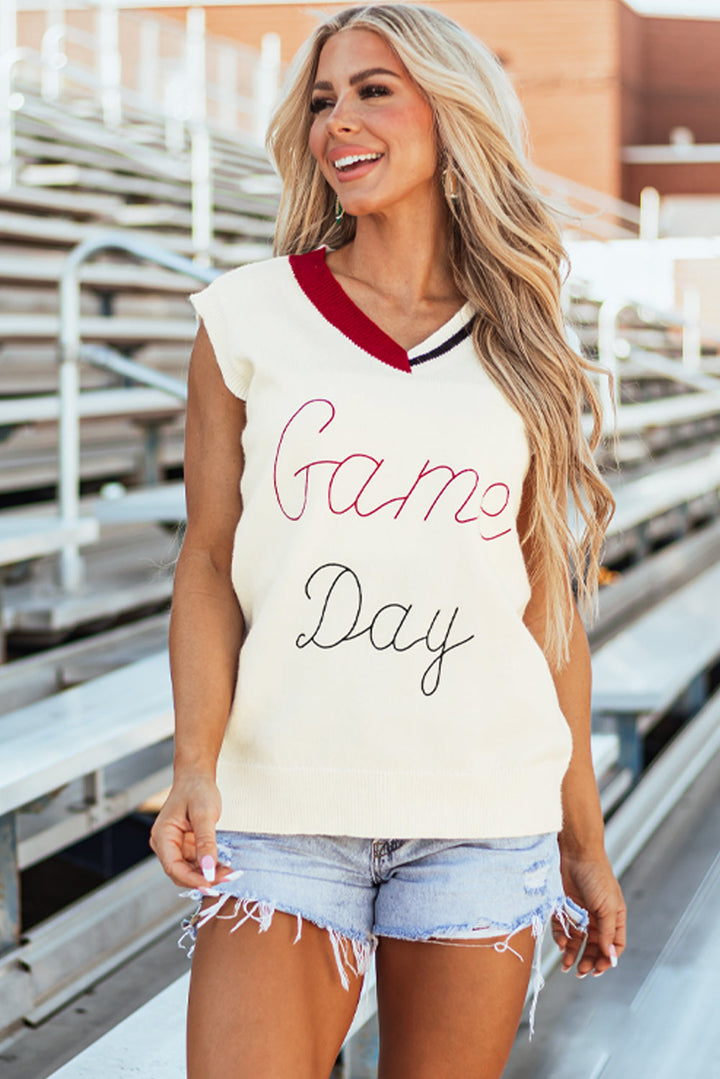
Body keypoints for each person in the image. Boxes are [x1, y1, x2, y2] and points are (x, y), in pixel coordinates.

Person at [150, 4, 626, 1076]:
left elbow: (547, 608)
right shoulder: (246, 316)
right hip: (279, 806)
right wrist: (191, 765)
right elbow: (211, 560)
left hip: (478, 810)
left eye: (374, 90)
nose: (337, 121)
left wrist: (582, 844)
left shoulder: (524, 337)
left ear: (452, 113)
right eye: (323, 98)